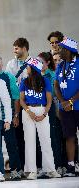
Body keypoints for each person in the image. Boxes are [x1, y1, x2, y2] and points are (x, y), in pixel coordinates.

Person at [20, 58, 61, 180]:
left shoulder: (46, 81)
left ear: (33, 69)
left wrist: (44, 114)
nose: (26, 68)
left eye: (28, 66)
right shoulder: (24, 81)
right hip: (28, 111)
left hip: (42, 110)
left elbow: (49, 101)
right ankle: (31, 171)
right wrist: (28, 111)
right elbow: (22, 100)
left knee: (46, 141)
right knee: (29, 141)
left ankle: (50, 169)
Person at [6, 37, 32, 175]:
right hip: (17, 103)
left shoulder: (34, 62)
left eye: (17, 48)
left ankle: (35, 166)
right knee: (18, 136)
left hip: (31, 103)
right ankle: (20, 166)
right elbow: (11, 84)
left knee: (32, 136)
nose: (14, 50)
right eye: (14, 47)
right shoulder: (10, 63)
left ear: (24, 48)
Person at [54, 37, 79, 177]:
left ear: (69, 51)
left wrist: (70, 102)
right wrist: (63, 101)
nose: (59, 50)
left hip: (77, 106)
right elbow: (56, 84)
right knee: (69, 136)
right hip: (65, 108)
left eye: (62, 48)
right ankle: (70, 166)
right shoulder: (61, 65)